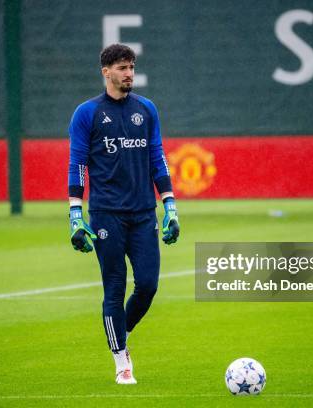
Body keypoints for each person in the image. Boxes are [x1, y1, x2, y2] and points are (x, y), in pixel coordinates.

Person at [67, 44, 179, 384]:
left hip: (144, 213)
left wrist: (170, 205)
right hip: (106, 216)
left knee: (147, 285)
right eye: (122, 67)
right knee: (114, 288)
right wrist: (75, 214)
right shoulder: (86, 113)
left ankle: (120, 331)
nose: (129, 73)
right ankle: (121, 361)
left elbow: (157, 158)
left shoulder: (146, 110)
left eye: (131, 67)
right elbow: (79, 165)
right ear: (106, 72)